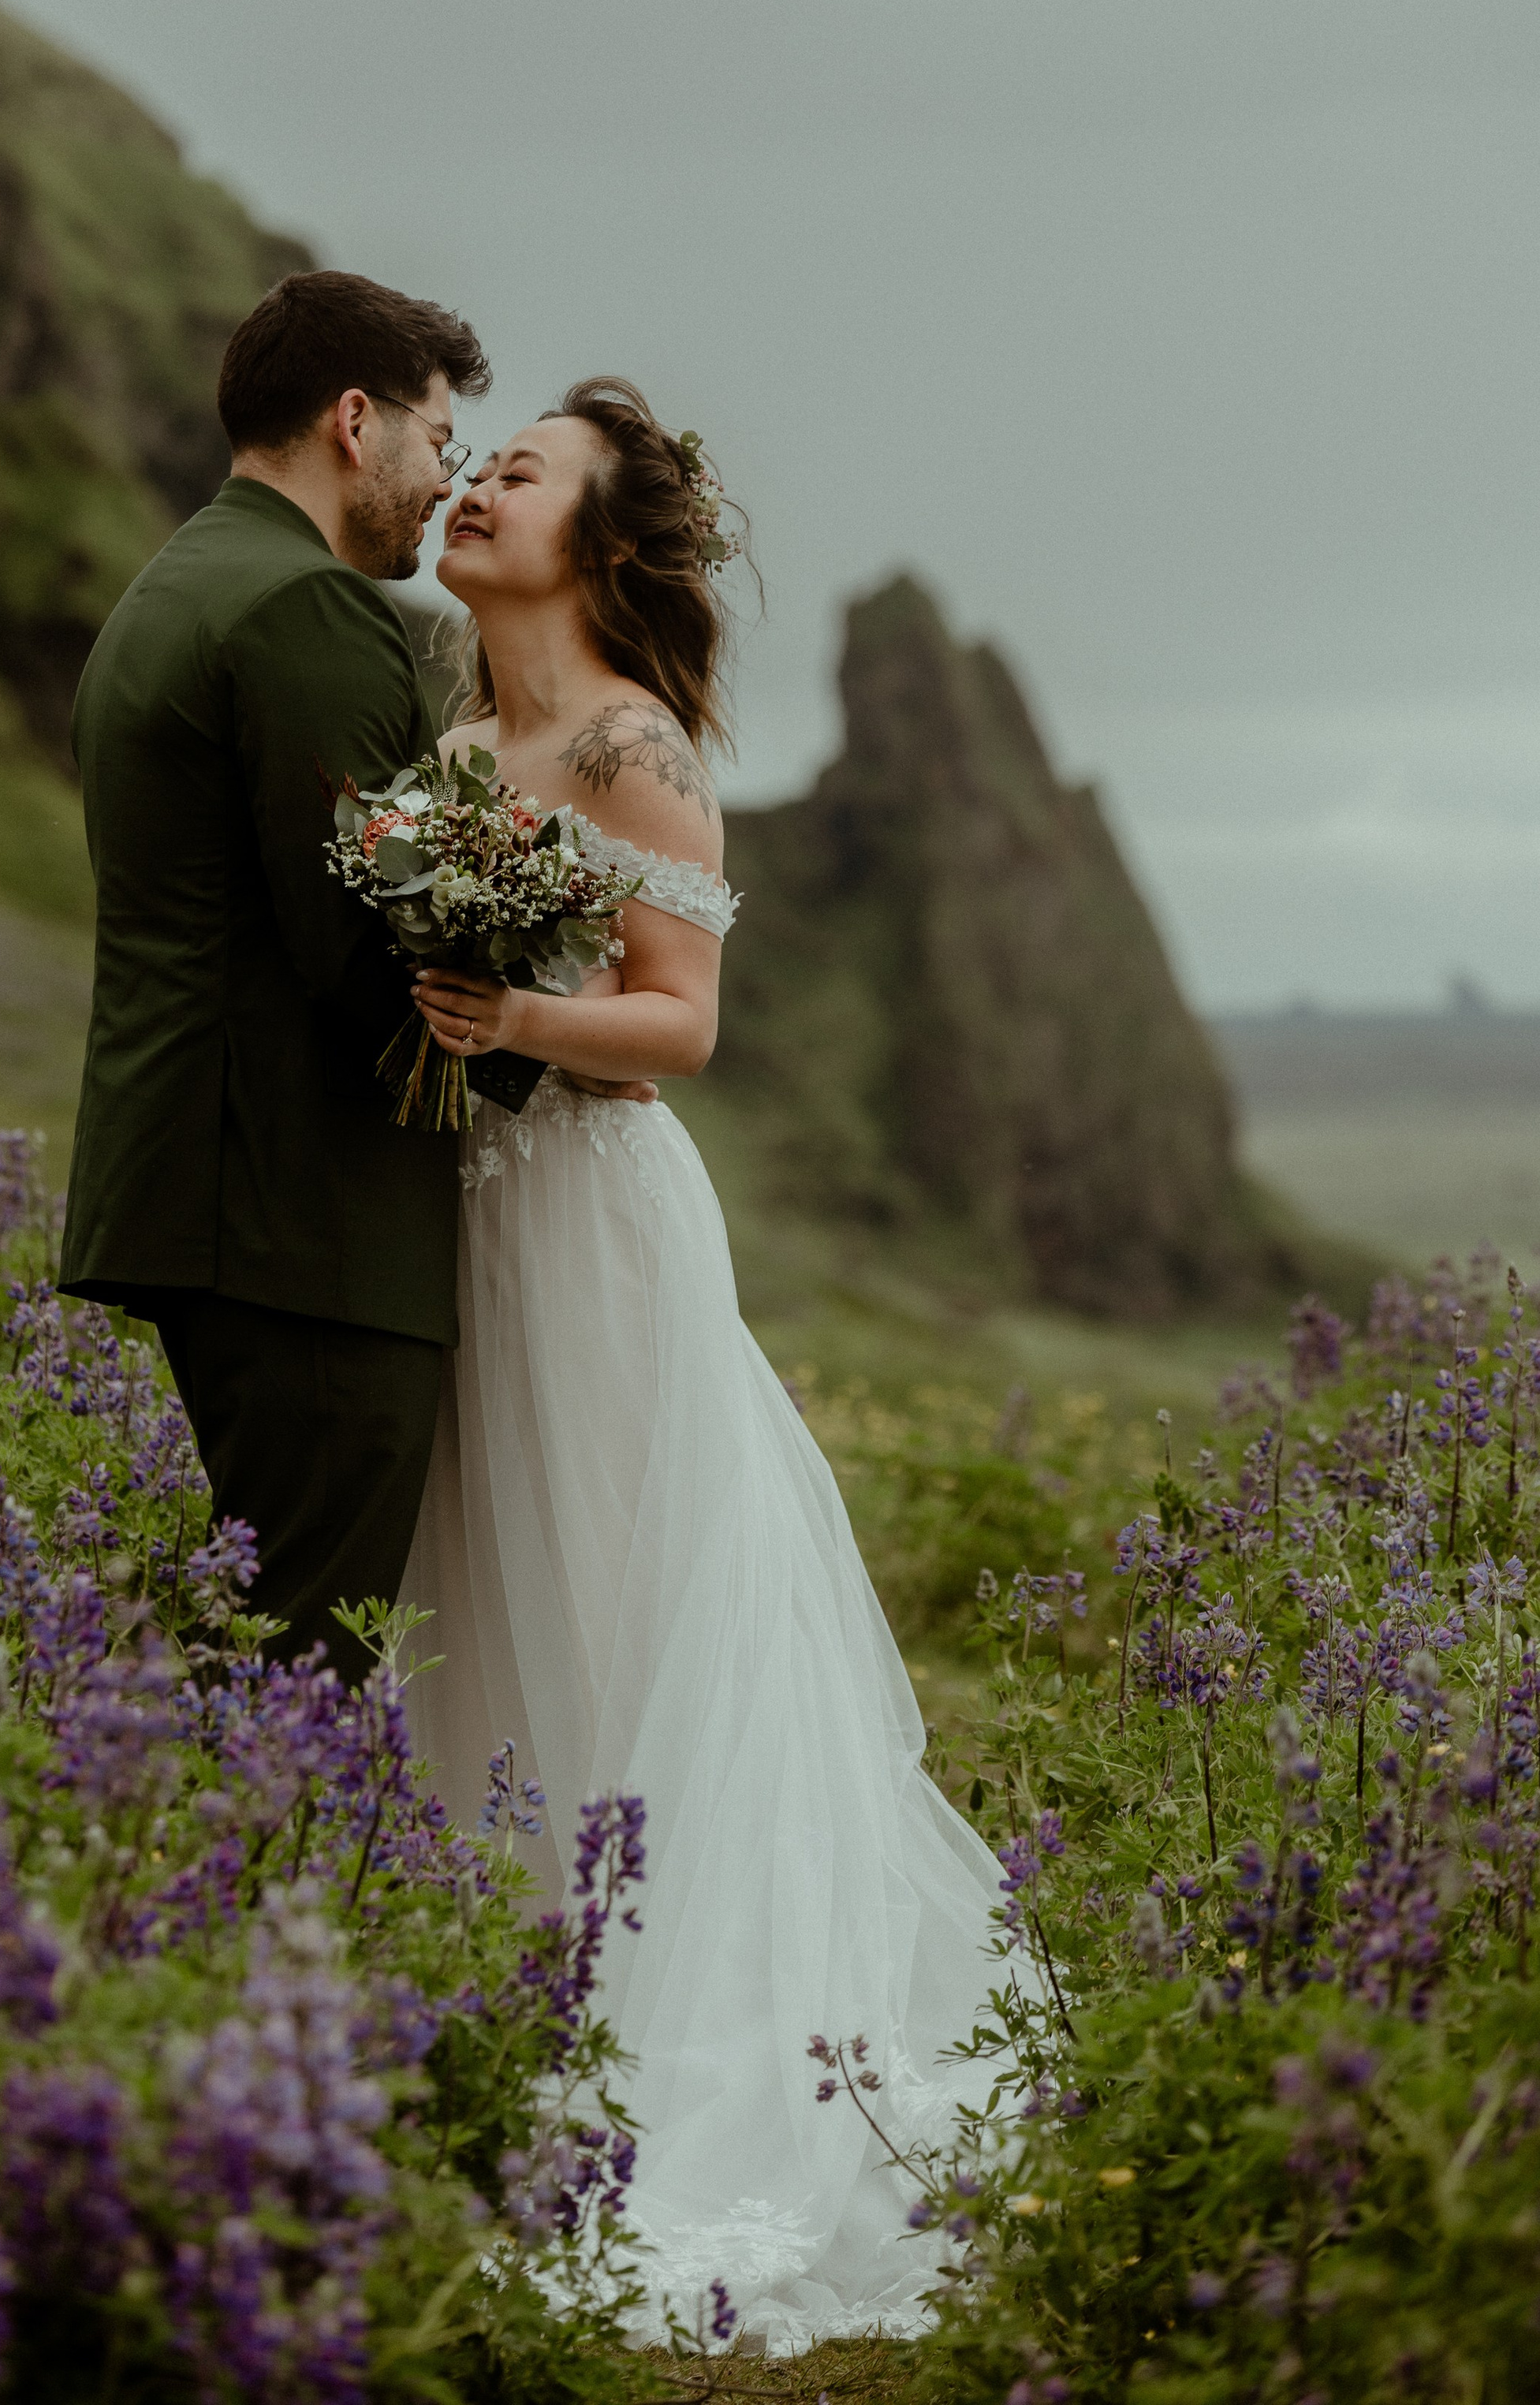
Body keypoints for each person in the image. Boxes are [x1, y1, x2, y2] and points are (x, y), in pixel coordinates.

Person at [397, 378, 1002, 2350]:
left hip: (587, 1210)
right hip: (465, 1208)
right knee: (483, 1591)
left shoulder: (629, 739)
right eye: (476, 463)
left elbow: (683, 1023)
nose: (478, 485)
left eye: (521, 476)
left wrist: (508, 1015)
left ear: (600, 544)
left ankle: (682, 2048)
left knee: (623, 1585)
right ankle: (503, 2015)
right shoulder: (455, 724)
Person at [58, 267, 529, 1687]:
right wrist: (544, 1048)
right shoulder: (305, 612)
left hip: (216, 1197)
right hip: (304, 1219)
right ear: (353, 420)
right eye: (439, 442)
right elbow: (367, 940)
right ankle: (226, 1906)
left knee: (258, 1637)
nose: (442, 483)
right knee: (301, 1669)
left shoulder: (174, 584)